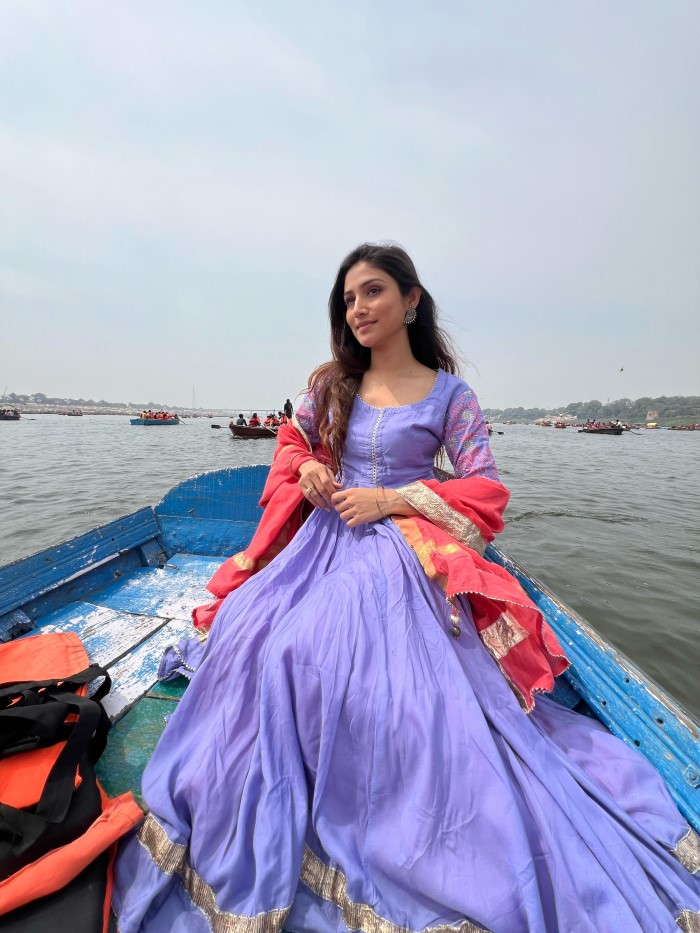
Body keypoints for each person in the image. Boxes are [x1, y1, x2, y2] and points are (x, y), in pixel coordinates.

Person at [114, 244, 700, 932]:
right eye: (348, 299)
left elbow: (484, 489)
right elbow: (291, 443)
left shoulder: (453, 396)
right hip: (322, 543)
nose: (358, 308)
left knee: (377, 685)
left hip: (399, 551)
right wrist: (305, 470)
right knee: (257, 642)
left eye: (372, 292)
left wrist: (392, 501)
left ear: (411, 300)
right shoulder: (332, 383)